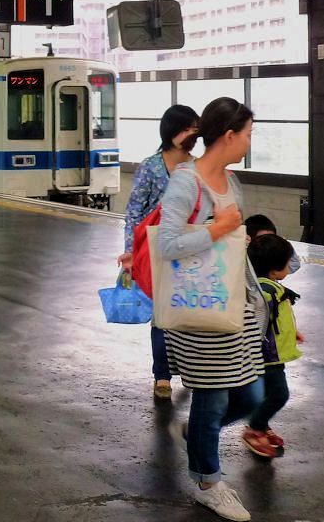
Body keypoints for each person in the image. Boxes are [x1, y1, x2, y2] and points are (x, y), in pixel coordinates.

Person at [157, 97, 269, 522]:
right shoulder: (187, 182)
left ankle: (199, 433)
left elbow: (234, 242)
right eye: (247, 135)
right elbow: (166, 245)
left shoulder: (230, 181)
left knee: (250, 393)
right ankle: (208, 482)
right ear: (228, 136)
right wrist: (216, 229)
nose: (248, 142)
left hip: (232, 304)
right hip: (198, 306)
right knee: (212, 397)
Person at [121, 104, 200, 399]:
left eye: (196, 128)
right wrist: (130, 252)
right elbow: (133, 212)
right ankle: (162, 375)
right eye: (190, 128)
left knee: (190, 312)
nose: (195, 133)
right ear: (174, 132)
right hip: (154, 250)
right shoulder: (151, 166)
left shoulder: (197, 167)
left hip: (190, 249)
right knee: (162, 315)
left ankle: (191, 370)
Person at [246, 234, 303, 454]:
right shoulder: (267, 292)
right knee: (279, 394)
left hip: (268, 353)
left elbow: (273, 319)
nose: (290, 267)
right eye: (287, 263)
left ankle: (261, 423)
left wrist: (292, 332)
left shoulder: (265, 287)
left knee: (265, 394)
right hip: (267, 356)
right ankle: (255, 429)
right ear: (274, 270)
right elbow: (257, 320)